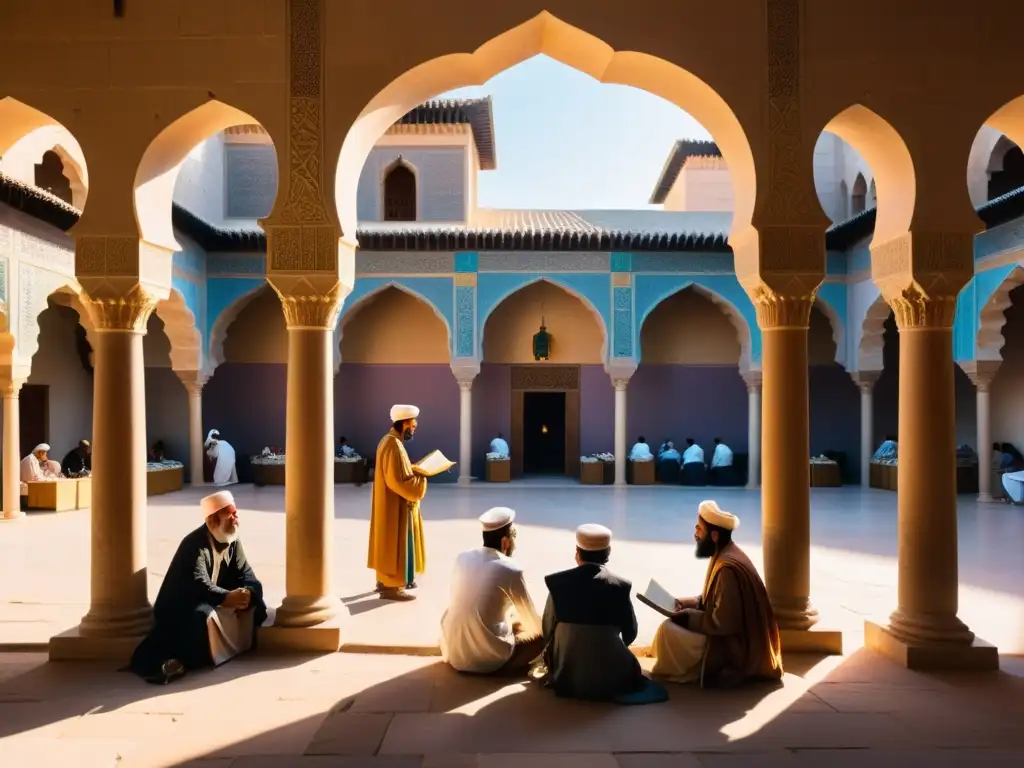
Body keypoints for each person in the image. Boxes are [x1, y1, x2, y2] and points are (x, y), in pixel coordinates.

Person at [129, 491, 266, 685]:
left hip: (214, 600)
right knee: (202, 616)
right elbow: (198, 584)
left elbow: (248, 575)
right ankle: (185, 661)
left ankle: (219, 650)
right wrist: (226, 597)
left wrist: (247, 594)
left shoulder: (233, 540)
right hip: (184, 608)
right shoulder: (194, 544)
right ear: (212, 520)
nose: (236, 519)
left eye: (236, 513)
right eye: (230, 515)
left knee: (256, 605)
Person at [651, 500, 783, 688]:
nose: (695, 535)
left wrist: (688, 618)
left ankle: (689, 672)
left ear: (713, 536)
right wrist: (684, 603)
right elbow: (712, 599)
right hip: (733, 638)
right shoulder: (725, 553)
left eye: (699, 530)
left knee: (668, 629)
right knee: (671, 625)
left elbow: (724, 623)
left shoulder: (727, 568)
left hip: (735, 648)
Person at [540, 524, 646, 701]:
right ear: (608, 553)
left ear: (577, 553)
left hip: (567, 675)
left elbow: (547, 630)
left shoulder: (558, 584)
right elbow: (631, 633)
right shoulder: (620, 586)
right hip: (611, 678)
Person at [440, 507, 543, 675]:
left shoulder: (462, 557)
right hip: (489, 662)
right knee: (541, 637)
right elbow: (534, 624)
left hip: (453, 655)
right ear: (505, 542)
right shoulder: (510, 569)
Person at [368, 404, 428, 601]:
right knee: (394, 544)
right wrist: (421, 479)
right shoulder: (393, 445)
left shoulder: (389, 441)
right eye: (413, 425)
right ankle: (392, 588)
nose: (415, 428)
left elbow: (396, 471)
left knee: (387, 544)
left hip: (390, 504)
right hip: (395, 506)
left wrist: (413, 469)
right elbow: (396, 481)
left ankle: (386, 582)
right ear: (404, 424)